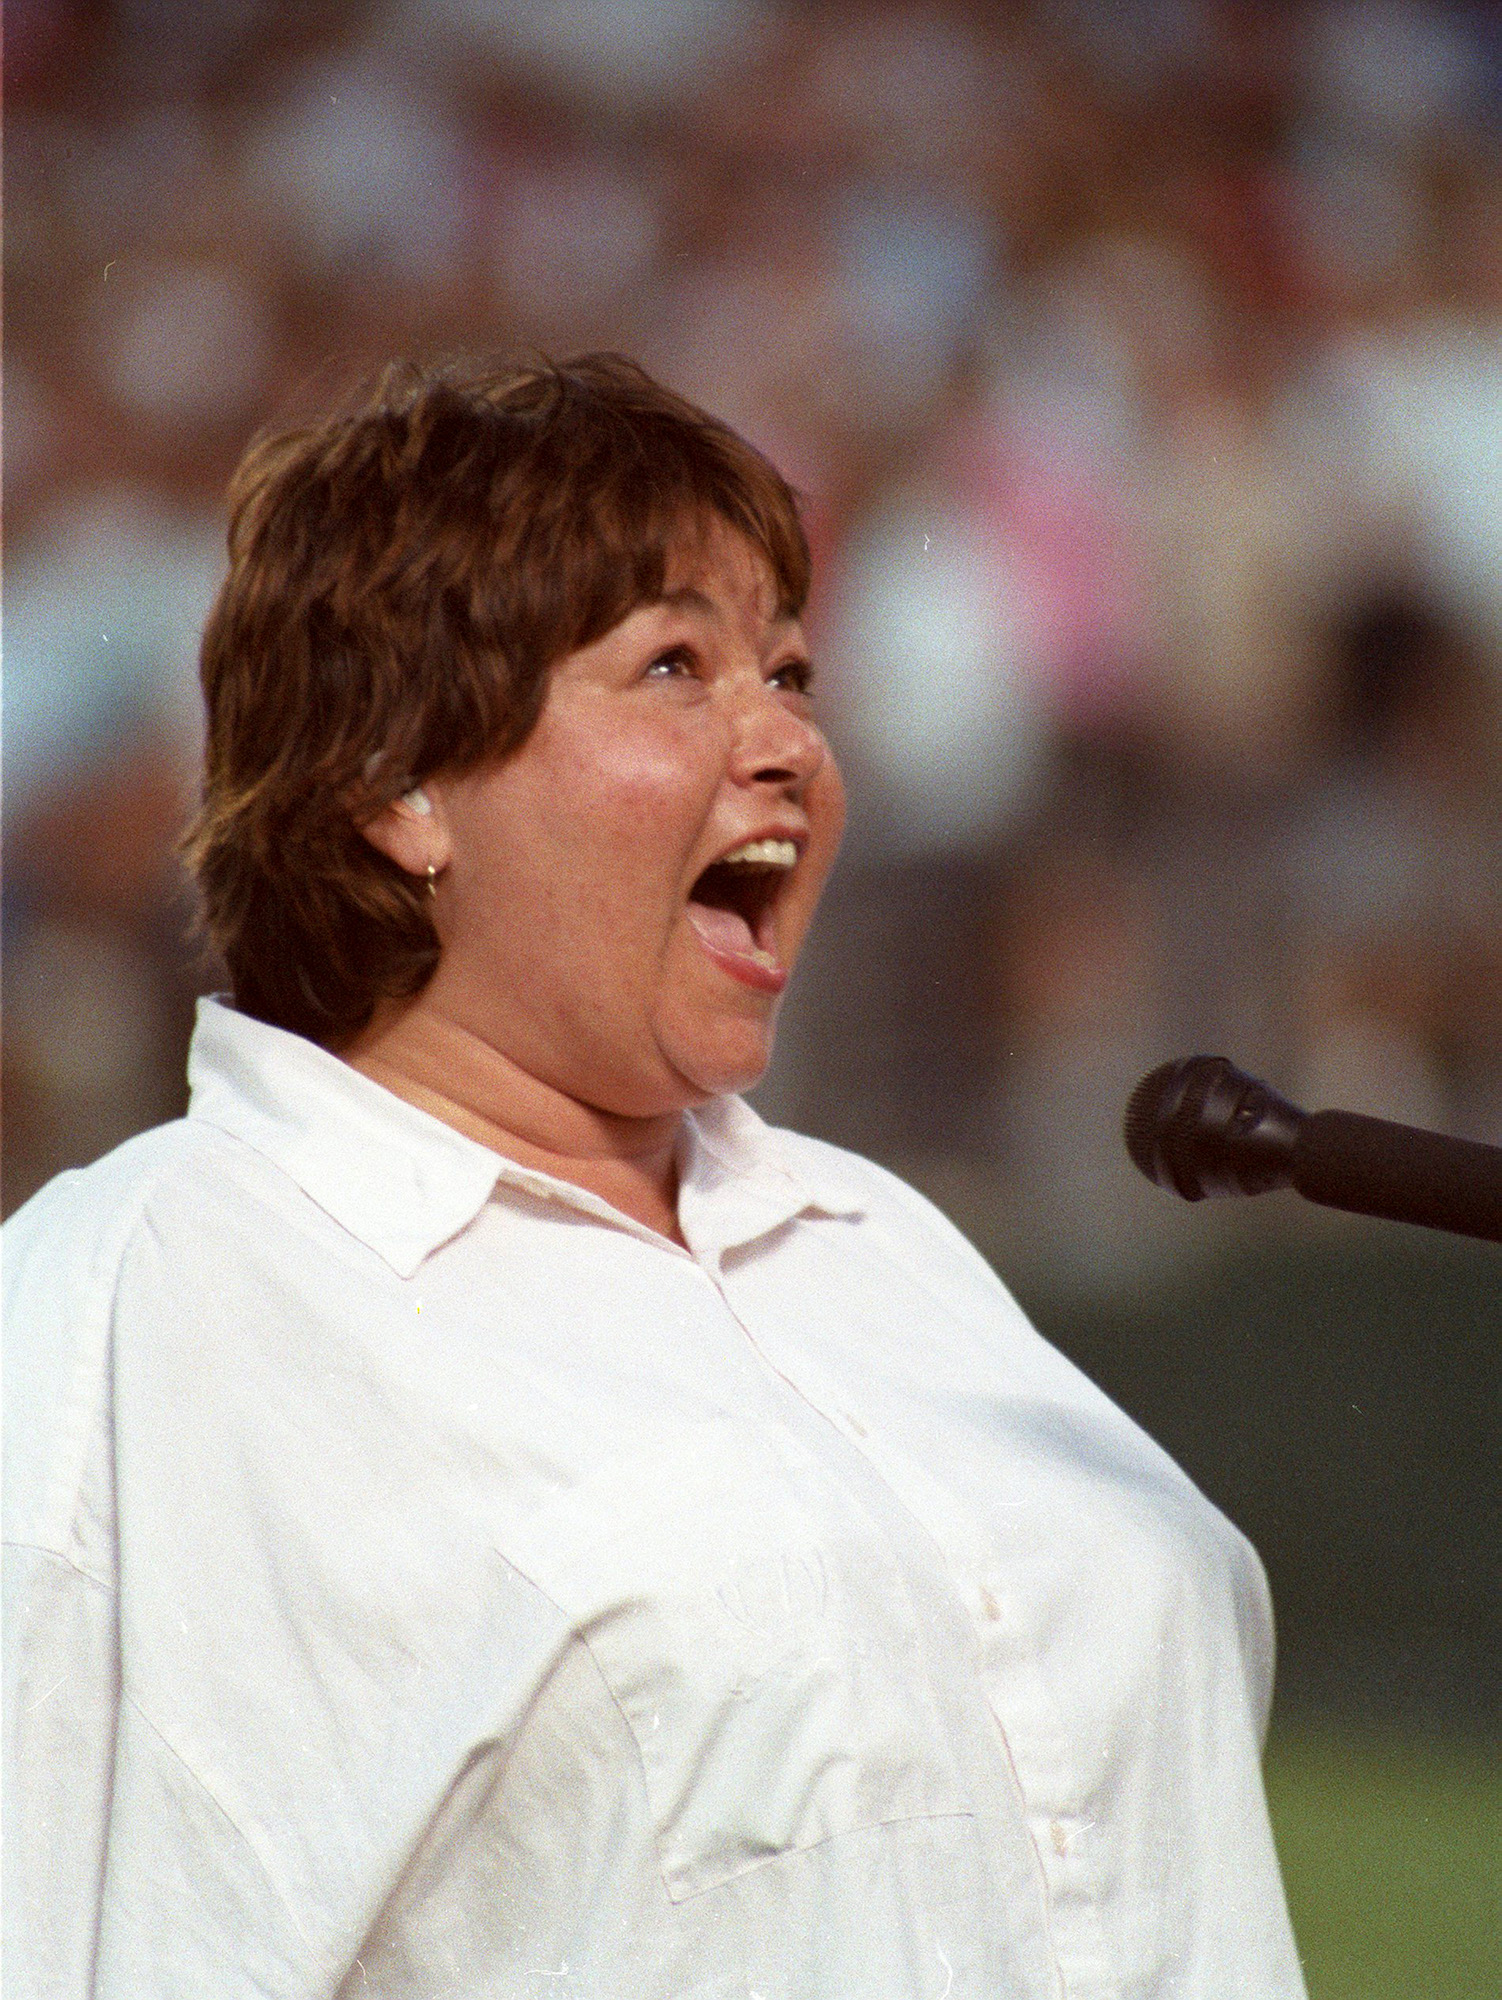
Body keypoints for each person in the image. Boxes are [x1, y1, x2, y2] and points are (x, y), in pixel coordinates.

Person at [3, 355, 1306, 1998]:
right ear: (391, 787)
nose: (787, 743)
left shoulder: (876, 1243)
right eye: (673, 666)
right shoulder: (144, 1296)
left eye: (789, 670)